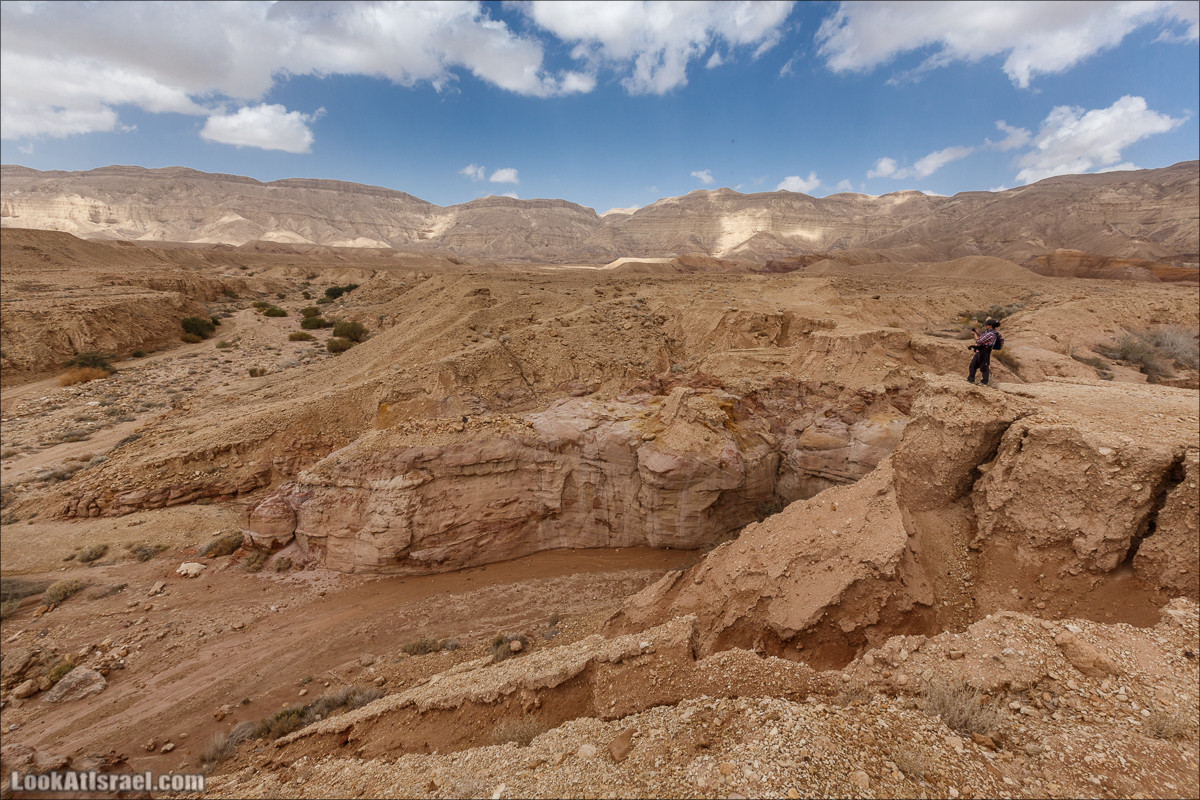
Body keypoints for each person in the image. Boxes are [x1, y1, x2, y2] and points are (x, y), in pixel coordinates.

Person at [967, 318, 1000, 385]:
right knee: (972, 365)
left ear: (990, 325)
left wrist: (974, 335)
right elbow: (982, 337)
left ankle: (984, 382)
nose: (986, 326)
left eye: (987, 325)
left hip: (985, 352)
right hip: (980, 350)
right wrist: (977, 333)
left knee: (984, 367)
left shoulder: (991, 334)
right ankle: (971, 379)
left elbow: (979, 341)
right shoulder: (987, 332)